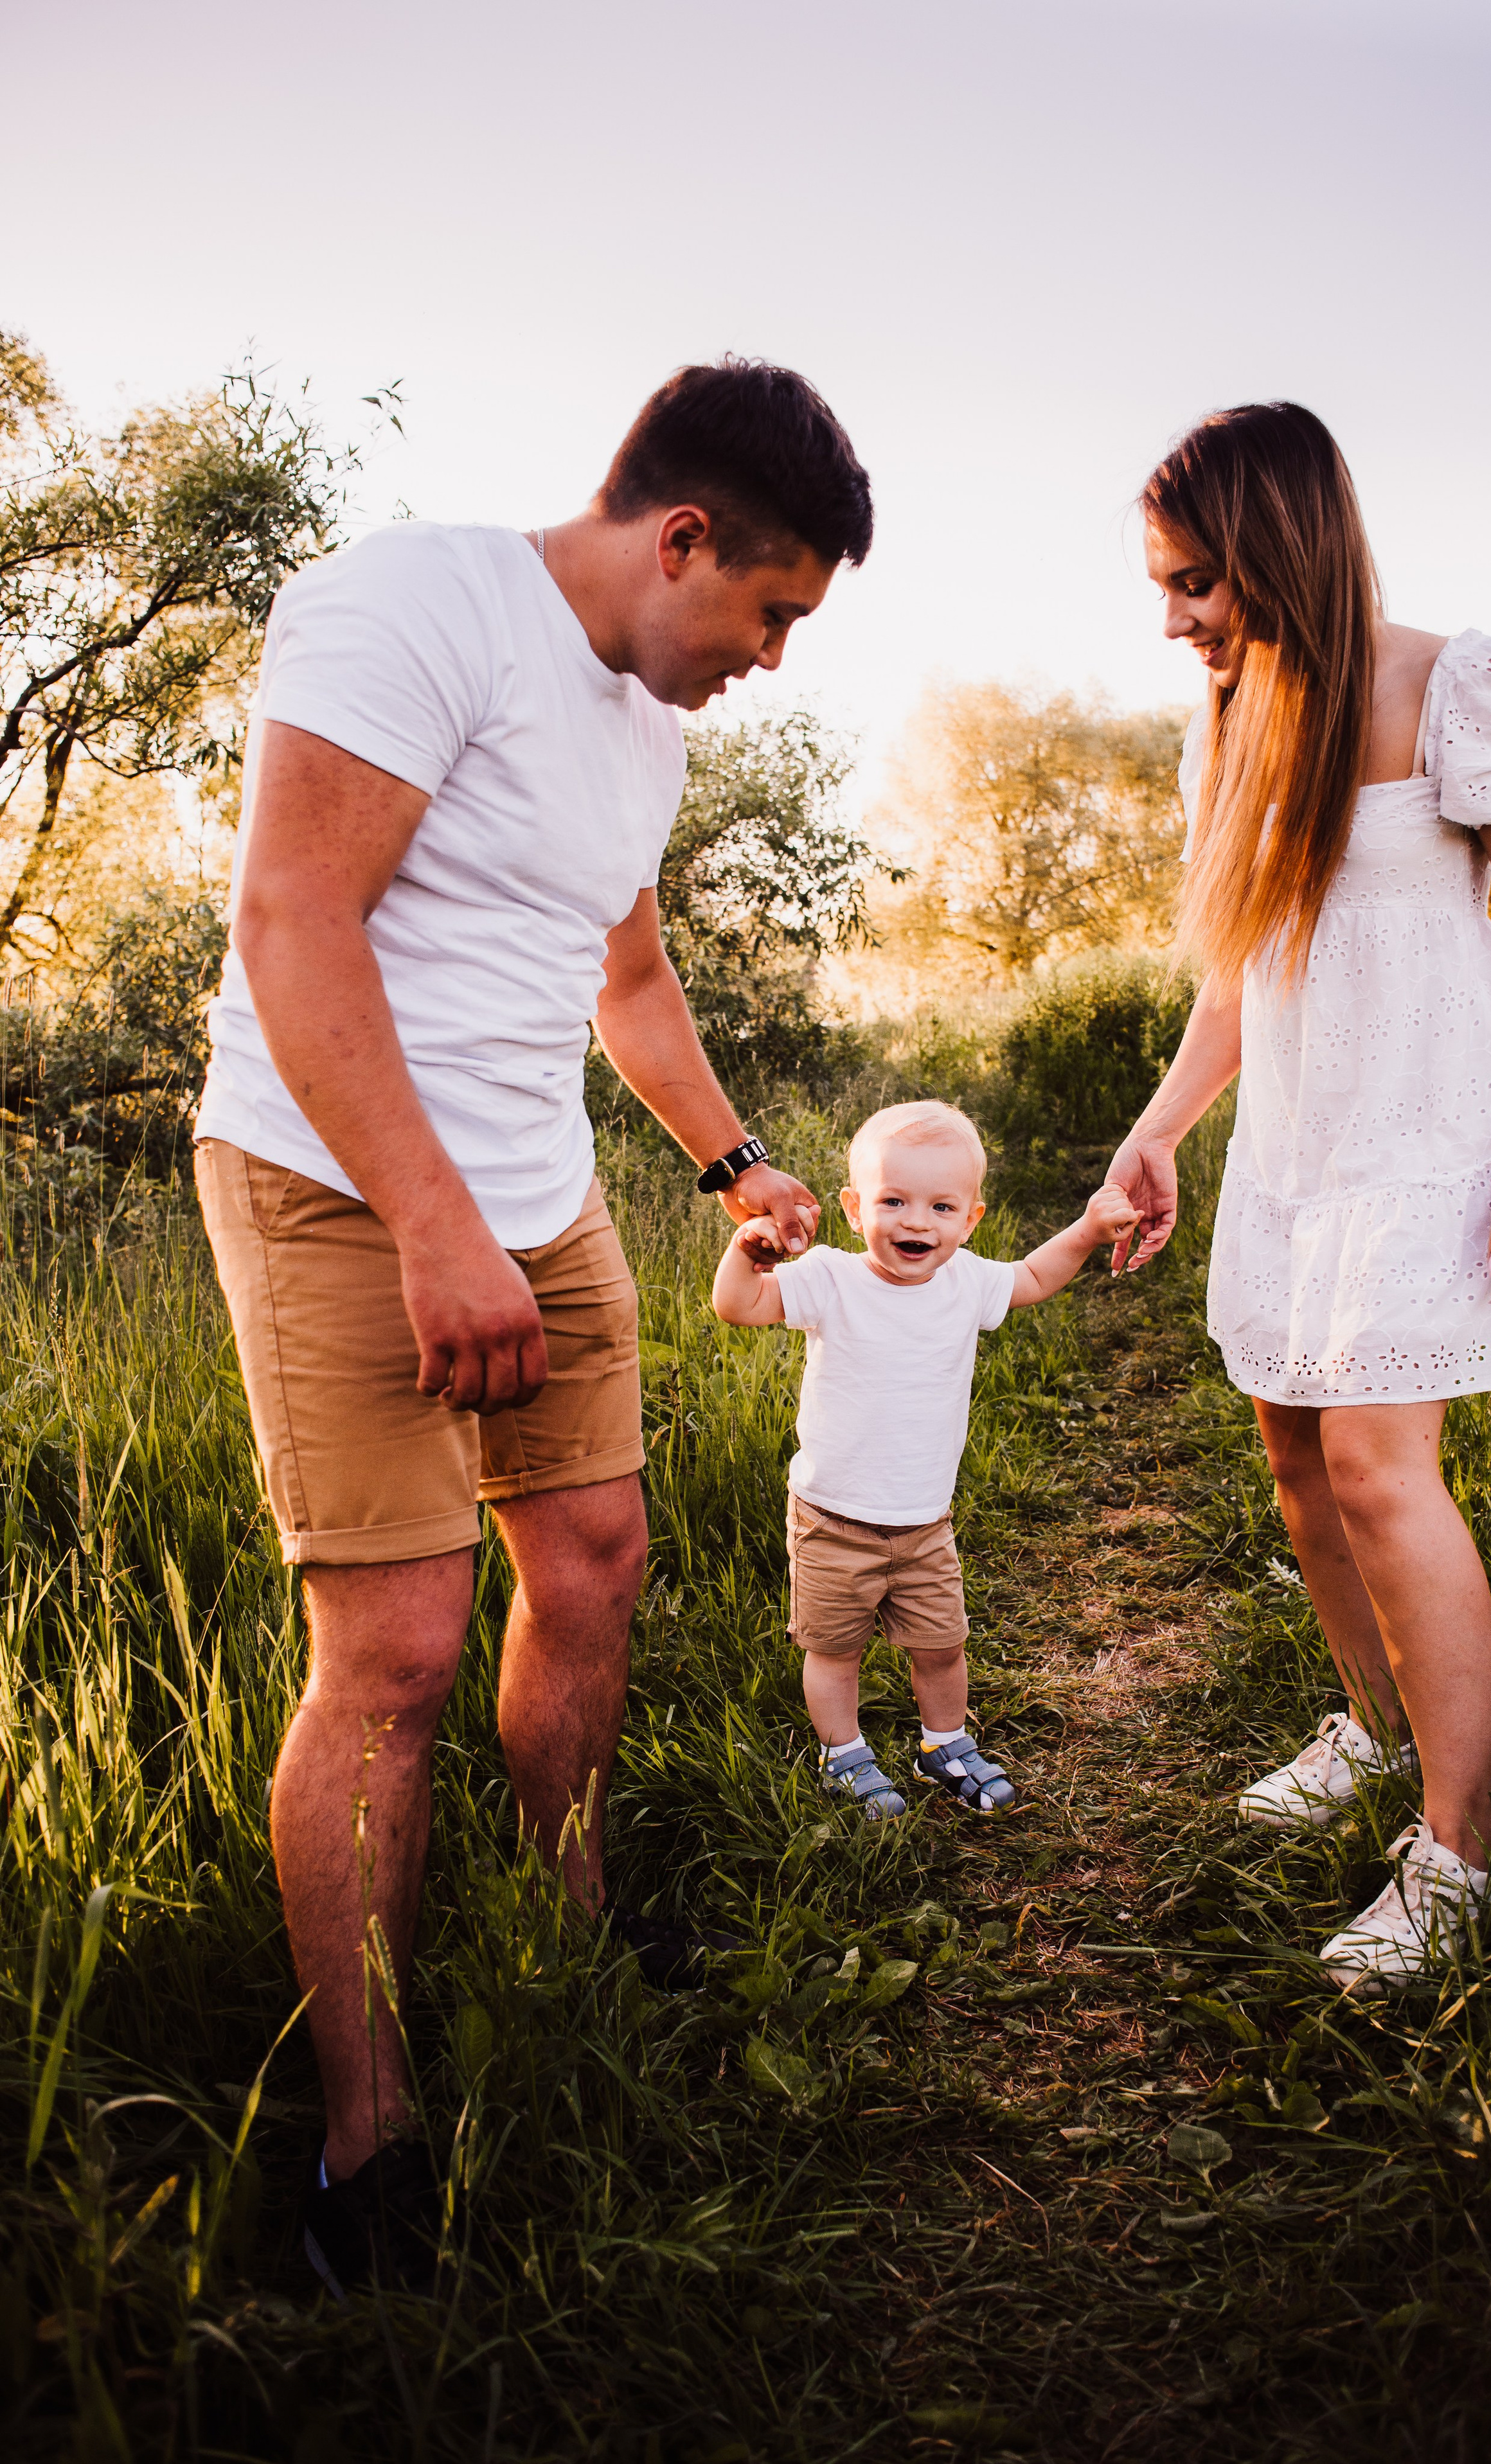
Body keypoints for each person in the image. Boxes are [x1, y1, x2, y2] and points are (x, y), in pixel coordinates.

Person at [192, 358, 873, 2291]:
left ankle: (566, 1921)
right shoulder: (415, 604)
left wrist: (729, 1155)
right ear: (682, 538)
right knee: (396, 1650)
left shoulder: (646, 731)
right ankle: (365, 2149)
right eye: (770, 611)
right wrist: (429, 1225)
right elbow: (293, 920)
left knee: (593, 1565)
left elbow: (628, 982)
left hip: (534, 1198)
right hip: (340, 1184)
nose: (771, 654)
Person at [1104, 402, 1491, 1994]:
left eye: (1192, 581)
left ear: (1272, 547)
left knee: (1383, 1468)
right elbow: (1242, 968)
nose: (1171, 618)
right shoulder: (1231, 719)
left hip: (1427, 1137)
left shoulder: (1456, 688)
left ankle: (1455, 1850)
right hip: (1295, 1146)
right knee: (1294, 1452)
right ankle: (1372, 1728)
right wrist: (1162, 1126)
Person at [712, 1100, 1138, 1817]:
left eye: (941, 1206)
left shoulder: (967, 1281)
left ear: (970, 1219)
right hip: (832, 1518)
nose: (916, 1222)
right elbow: (739, 1306)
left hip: (923, 1522)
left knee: (942, 1646)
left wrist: (1088, 1232)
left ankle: (944, 1741)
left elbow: (1033, 1277)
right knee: (834, 1651)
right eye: (893, 1200)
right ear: (853, 1208)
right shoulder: (829, 1278)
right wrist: (745, 1254)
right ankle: (842, 1753)